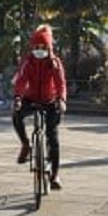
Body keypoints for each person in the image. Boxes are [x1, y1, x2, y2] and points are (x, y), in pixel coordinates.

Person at [11, 25, 67, 189]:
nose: (39, 50)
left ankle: (55, 175)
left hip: (50, 101)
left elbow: (61, 84)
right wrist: (18, 98)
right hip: (31, 99)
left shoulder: (55, 63)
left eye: (43, 47)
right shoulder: (28, 62)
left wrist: (61, 100)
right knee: (16, 114)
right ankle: (25, 144)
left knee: (53, 137)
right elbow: (21, 81)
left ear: (49, 47)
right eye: (36, 47)